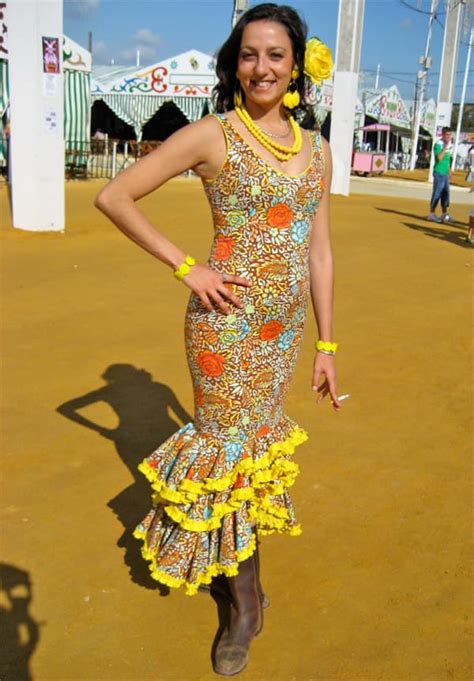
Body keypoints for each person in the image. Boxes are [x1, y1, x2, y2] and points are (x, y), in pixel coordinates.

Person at [95, 3, 340, 675]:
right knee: (228, 451)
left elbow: (319, 251)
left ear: (296, 66)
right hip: (223, 328)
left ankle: (239, 573)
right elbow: (116, 196)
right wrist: (186, 265)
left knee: (256, 447)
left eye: (276, 55)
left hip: (281, 334)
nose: (262, 66)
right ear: (235, 63)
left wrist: (326, 346)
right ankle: (247, 598)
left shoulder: (315, 148)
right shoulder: (212, 135)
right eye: (250, 53)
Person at [428, 127, 453, 223]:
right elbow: (439, 158)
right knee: (437, 193)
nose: (448, 137)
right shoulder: (438, 144)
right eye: (447, 135)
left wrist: (450, 171)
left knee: (446, 194)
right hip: (438, 172)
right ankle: (432, 213)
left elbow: (448, 159)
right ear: (442, 135)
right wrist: (445, 147)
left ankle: (444, 213)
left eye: (450, 135)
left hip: (445, 173)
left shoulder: (450, 144)